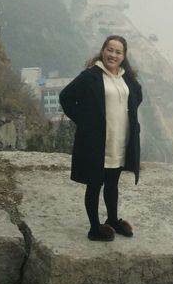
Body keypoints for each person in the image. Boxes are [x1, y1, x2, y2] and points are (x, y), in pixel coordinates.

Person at [58, 35, 142, 241]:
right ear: (103, 51)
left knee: (113, 183)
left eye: (118, 52)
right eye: (109, 50)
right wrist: (85, 121)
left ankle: (112, 220)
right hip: (97, 143)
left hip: (119, 141)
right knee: (94, 184)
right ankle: (95, 228)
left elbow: (137, 96)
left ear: (124, 56)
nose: (113, 55)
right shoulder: (91, 76)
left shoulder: (126, 78)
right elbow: (66, 97)